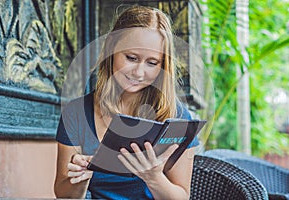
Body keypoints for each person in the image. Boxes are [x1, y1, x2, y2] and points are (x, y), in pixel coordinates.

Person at [54, 5, 199, 199]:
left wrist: (154, 177)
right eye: (131, 58)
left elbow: (182, 196)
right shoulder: (77, 113)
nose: (139, 73)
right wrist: (81, 178)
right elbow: (64, 194)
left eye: (152, 63)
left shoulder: (178, 118)